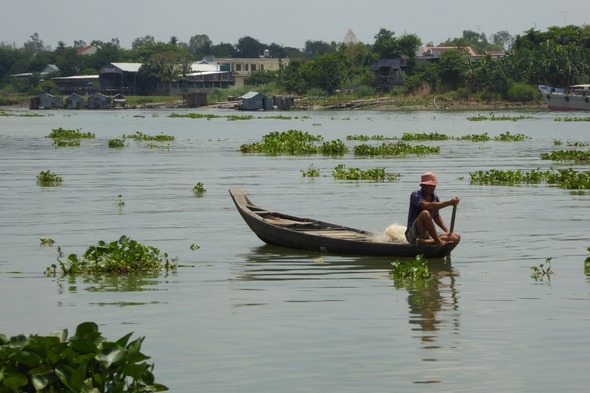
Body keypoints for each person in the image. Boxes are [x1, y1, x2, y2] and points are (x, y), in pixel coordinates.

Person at [405, 172, 461, 246]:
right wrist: (449, 203)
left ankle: (424, 242)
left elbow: (436, 216)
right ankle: (438, 241)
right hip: (413, 234)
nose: (432, 188)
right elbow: (427, 206)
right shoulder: (415, 195)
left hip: (427, 234)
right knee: (425, 213)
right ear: (423, 186)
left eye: (434, 186)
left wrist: (447, 231)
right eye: (430, 186)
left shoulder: (435, 197)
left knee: (456, 237)